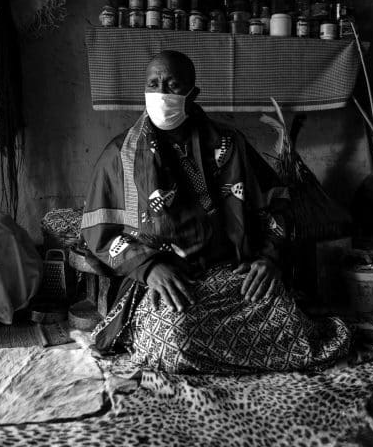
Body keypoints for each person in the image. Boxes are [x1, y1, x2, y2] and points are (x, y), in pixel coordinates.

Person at [82, 50, 351, 373]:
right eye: (153, 84)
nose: (162, 93)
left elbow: (277, 204)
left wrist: (267, 259)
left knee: (284, 315)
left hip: (230, 271)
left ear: (192, 94)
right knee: (177, 338)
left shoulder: (229, 143)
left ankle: (221, 355)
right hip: (168, 278)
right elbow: (99, 232)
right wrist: (149, 267)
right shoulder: (120, 154)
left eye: (173, 85)